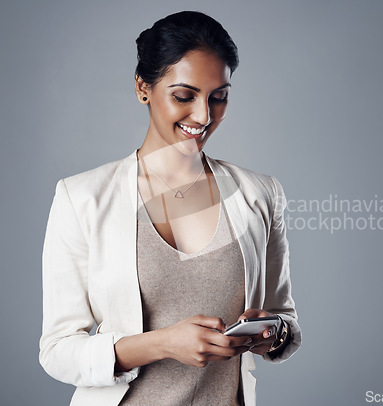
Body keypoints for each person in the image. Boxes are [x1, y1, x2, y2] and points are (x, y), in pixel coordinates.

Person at [39, 11, 301, 406]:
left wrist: (271, 334)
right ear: (143, 88)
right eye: (184, 96)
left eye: (219, 97)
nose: (203, 116)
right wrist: (161, 344)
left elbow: (285, 321)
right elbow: (57, 351)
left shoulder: (260, 194)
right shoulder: (82, 198)